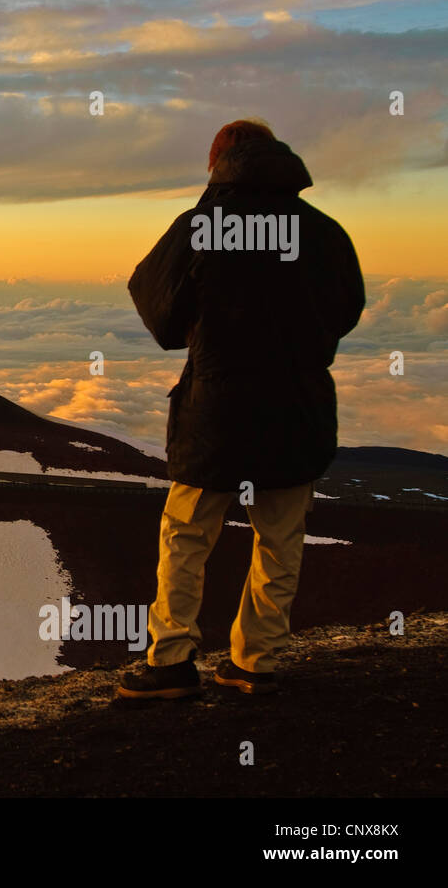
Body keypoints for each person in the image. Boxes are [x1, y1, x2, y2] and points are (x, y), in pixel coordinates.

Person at [118, 119, 365, 698]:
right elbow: (346, 309)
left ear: (217, 162)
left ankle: (172, 661)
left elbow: (160, 315)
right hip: (295, 408)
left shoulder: (202, 228)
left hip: (217, 412)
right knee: (280, 537)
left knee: (186, 537)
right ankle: (256, 660)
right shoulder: (323, 231)